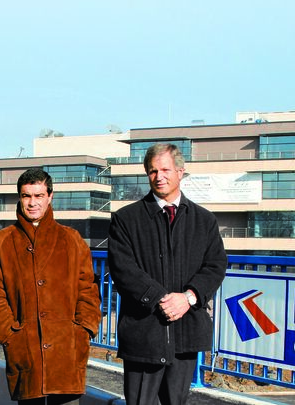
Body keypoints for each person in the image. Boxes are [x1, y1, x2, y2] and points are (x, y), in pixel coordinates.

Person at [108, 143, 227, 405]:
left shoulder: (204, 220)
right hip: (143, 334)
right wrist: (161, 299)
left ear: (181, 171)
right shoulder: (126, 219)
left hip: (186, 334)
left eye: (165, 169)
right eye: (152, 171)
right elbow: (122, 267)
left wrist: (188, 297)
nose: (159, 176)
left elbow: (216, 264)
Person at [0, 168, 102, 405]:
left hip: (67, 349)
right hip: (24, 349)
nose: (32, 202)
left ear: (50, 196)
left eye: (38, 195)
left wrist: (84, 329)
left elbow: (87, 289)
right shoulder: (1, 241)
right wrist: (9, 335)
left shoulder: (72, 240)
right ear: (19, 198)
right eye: (26, 196)